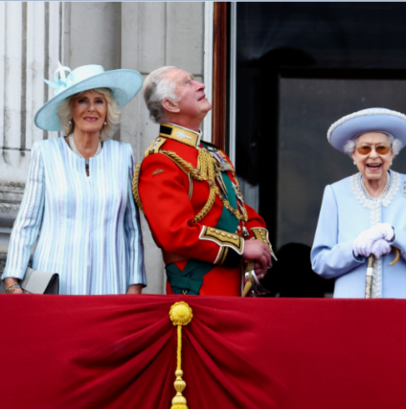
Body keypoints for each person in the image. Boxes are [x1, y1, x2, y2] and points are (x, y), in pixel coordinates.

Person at [3, 64, 146, 295]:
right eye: (82, 100)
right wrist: (12, 282)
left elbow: (132, 227)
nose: (91, 108)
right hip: (56, 284)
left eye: (99, 101)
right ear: (70, 108)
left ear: (108, 109)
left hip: (111, 284)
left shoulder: (123, 155)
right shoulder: (45, 153)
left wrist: (135, 284)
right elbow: (27, 222)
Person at [134, 66, 272, 296]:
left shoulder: (212, 153)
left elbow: (237, 210)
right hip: (197, 294)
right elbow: (176, 233)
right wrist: (241, 248)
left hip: (235, 290)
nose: (201, 85)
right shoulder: (159, 161)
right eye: (187, 83)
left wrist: (258, 245)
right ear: (170, 104)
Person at [311, 108, 406, 299]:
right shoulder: (335, 193)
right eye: (364, 148)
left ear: (392, 153)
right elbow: (320, 263)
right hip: (351, 310)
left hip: (404, 310)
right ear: (353, 154)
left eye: (381, 148)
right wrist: (354, 248)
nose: (373, 155)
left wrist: (395, 235)